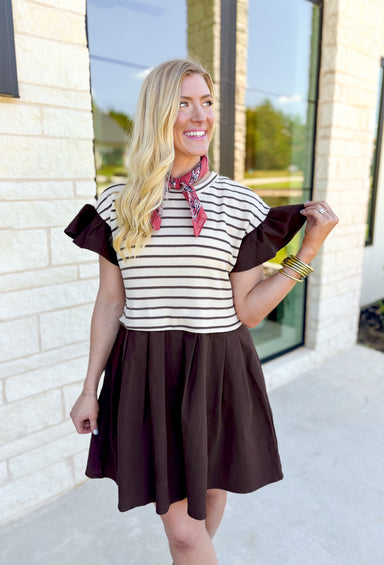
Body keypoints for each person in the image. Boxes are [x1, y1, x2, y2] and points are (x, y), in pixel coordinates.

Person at [65, 58, 338, 564]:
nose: (200, 116)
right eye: (184, 103)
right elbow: (110, 301)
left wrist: (306, 255)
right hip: (146, 371)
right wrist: (88, 390)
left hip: (218, 368)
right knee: (185, 532)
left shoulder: (238, 204)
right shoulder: (117, 205)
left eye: (207, 103)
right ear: (157, 114)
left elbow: (250, 311)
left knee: (207, 502)